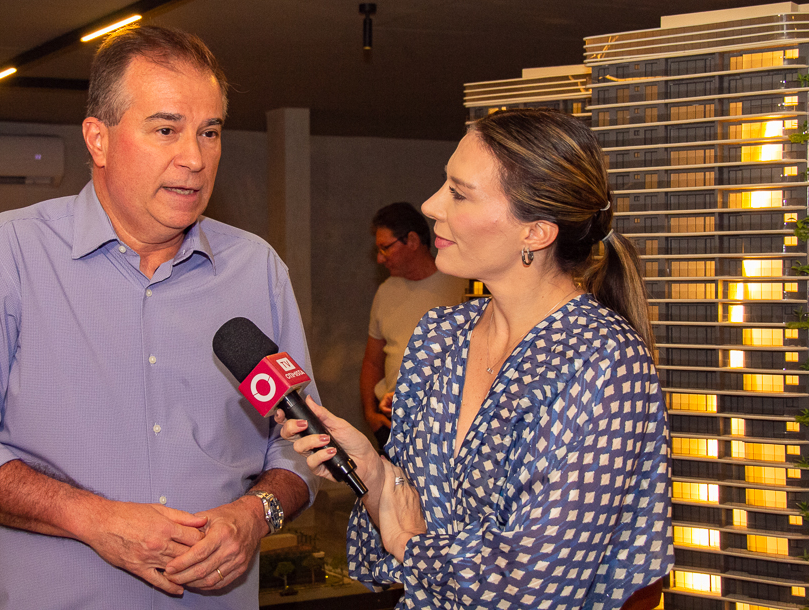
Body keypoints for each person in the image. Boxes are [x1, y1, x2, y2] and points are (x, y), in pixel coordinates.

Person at [0, 25, 319, 609]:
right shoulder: (6, 256)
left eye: (209, 132)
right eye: (166, 129)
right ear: (98, 139)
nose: (195, 158)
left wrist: (257, 514)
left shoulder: (258, 271)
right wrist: (93, 519)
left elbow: (302, 438)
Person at [279, 109, 673, 610]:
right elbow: (401, 523)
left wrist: (410, 545)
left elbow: (529, 583)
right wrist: (375, 474)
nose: (430, 205)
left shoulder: (603, 362)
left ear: (536, 232)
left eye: (459, 193)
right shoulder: (440, 336)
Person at [360, 203, 466, 447]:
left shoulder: (459, 284)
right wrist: (370, 414)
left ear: (413, 240)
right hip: (391, 420)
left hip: (444, 421)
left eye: (385, 248)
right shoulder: (386, 291)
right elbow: (372, 361)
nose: (380, 258)